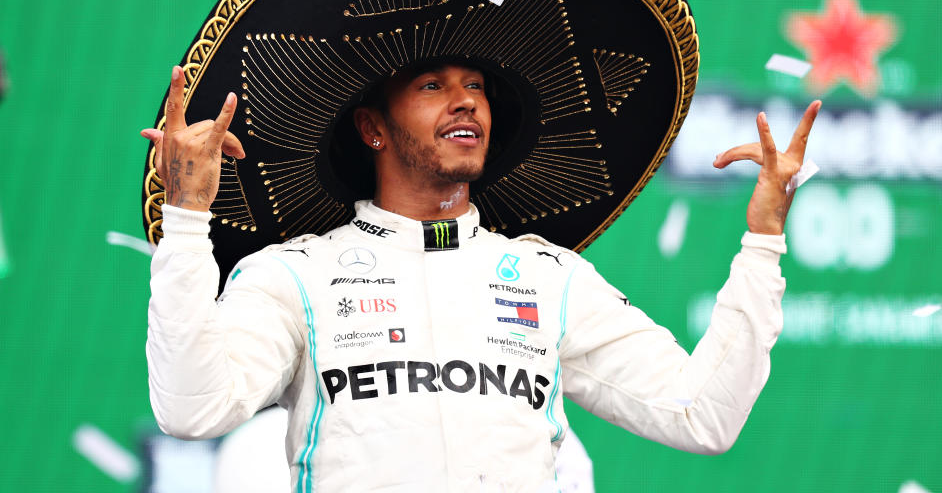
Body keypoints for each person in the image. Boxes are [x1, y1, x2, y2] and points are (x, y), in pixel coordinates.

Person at [143, 58, 821, 491]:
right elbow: (192, 407)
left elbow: (702, 415)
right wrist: (185, 218)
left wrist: (762, 241)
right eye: (434, 85)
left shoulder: (549, 278)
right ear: (372, 127)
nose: (465, 102)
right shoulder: (297, 276)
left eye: (476, 87)